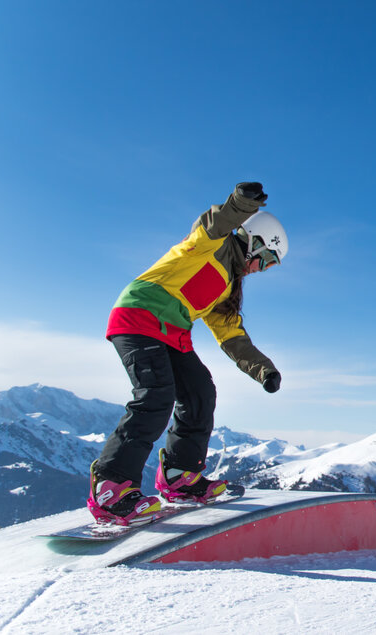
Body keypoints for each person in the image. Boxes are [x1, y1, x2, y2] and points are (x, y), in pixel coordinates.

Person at [88, 182, 286, 525]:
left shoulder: (227, 285)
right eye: (267, 259)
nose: (263, 269)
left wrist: (263, 370)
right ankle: (111, 488)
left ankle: (180, 475)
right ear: (254, 242)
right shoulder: (210, 246)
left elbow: (231, 334)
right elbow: (216, 223)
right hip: (140, 315)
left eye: (271, 266)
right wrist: (241, 204)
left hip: (173, 333)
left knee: (199, 392)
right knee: (155, 395)